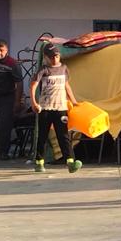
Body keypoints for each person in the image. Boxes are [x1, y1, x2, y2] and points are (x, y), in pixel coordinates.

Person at [29, 44, 82, 174]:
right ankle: (39, 162)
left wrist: (73, 101)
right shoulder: (44, 69)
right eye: (52, 57)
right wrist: (34, 102)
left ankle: (70, 162)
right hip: (45, 108)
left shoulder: (64, 68)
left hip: (61, 108)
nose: (55, 59)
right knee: (42, 135)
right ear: (46, 57)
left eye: (57, 56)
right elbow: (33, 85)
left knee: (63, 135)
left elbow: (66, 86)